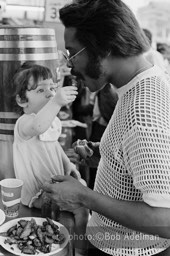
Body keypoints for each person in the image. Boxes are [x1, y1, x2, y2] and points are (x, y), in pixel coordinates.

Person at [42, 0, 170, 255]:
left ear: (104, 47)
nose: (70, 67)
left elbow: (164, 220)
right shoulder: (139, 86)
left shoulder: (143, 111)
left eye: (73, 53)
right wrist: (105, 154)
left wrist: (82, 196)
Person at [12, 63, 89, 256]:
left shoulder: (51, 120)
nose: (49, 94)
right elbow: (38, 126)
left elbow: (54, 145)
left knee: (83, 190)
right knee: (82, 208)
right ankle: (79, 252)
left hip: (54, 183)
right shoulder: (25, 122)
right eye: (40, 90)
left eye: (52, 88)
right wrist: (56, 102)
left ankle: (74, 247)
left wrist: (67, 163)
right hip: (38, 191)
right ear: (22, 100)